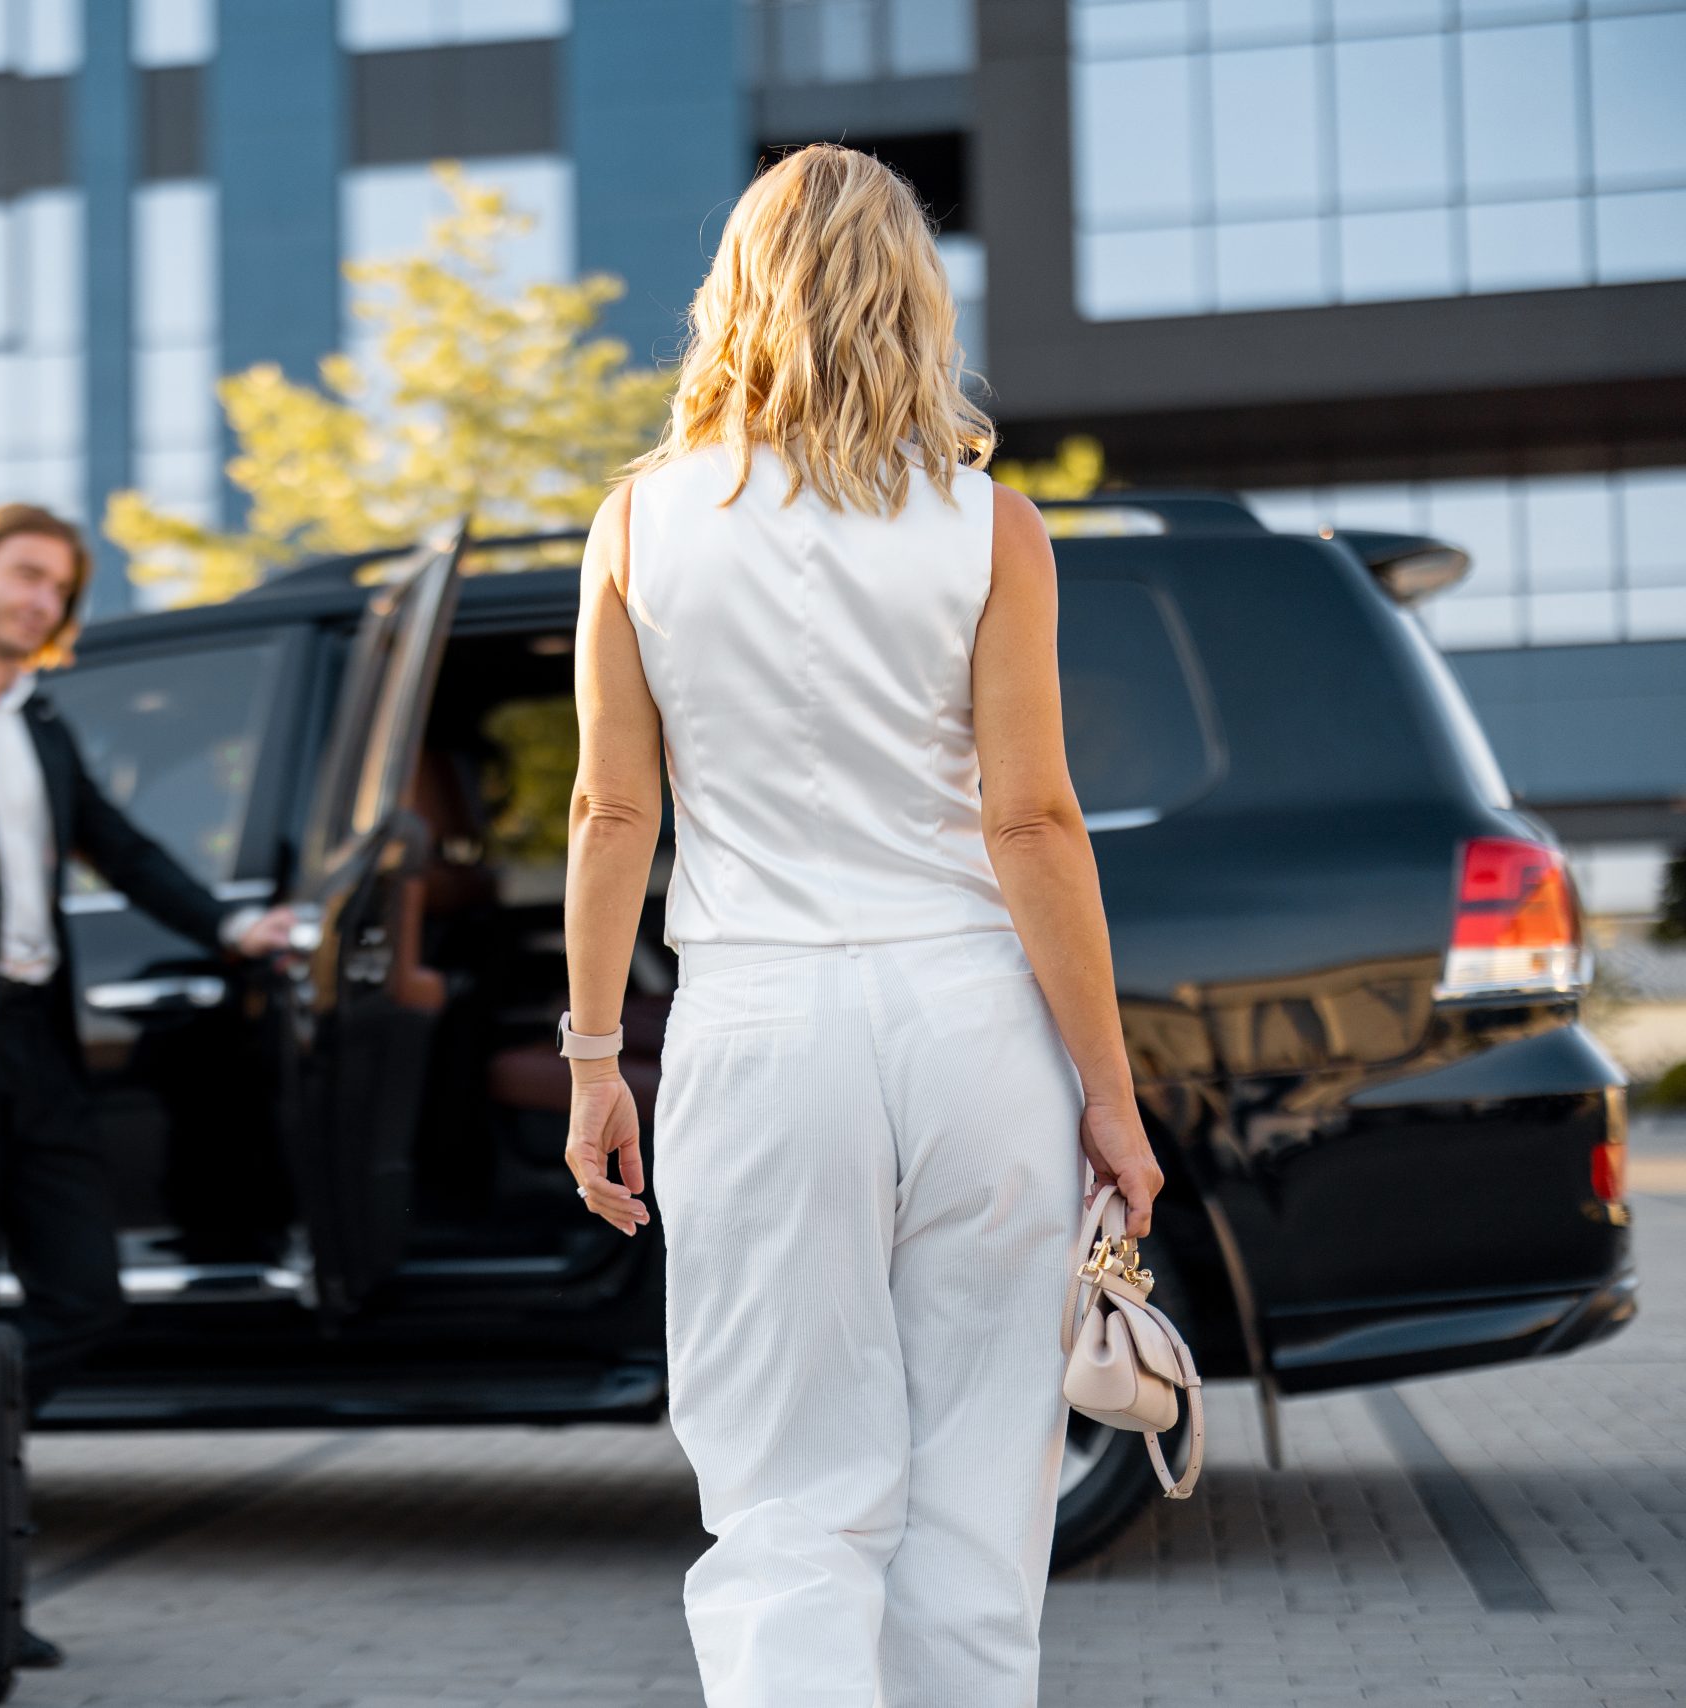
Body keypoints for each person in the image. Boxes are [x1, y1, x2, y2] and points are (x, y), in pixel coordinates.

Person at [558, 144, 1166, 1707]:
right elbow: (1030, 821)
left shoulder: (635, 525)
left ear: (733, 297)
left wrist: (593, 1063)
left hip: (758, 1031)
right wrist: (1108, 1088)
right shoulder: (992, 528)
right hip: (973, 1030)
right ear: (916, 300)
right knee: (977, 1518)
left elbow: (611, 815)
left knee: (784, 1515)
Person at [0, 500, 297, 1670]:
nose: (40, 603)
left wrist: (229, 927)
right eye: (24, 577)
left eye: (58, 590)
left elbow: (117, 846)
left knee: (78, 1296)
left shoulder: (37, 715)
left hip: (35, 1043)